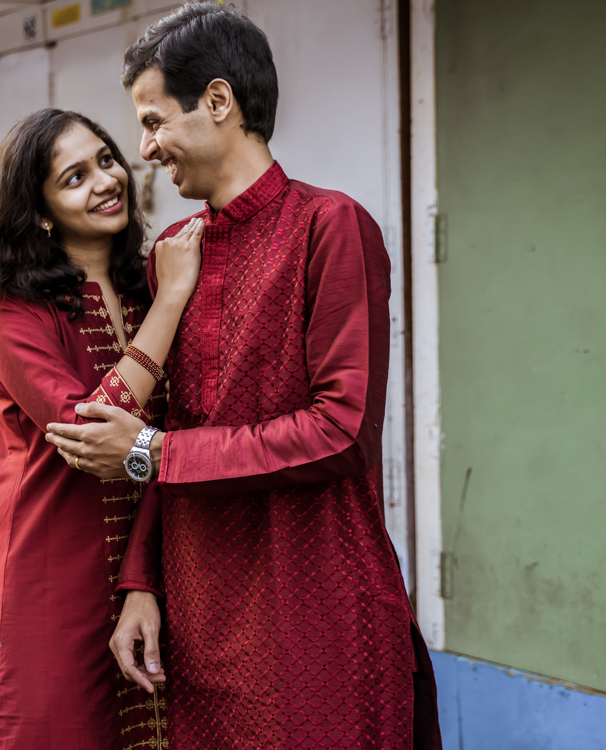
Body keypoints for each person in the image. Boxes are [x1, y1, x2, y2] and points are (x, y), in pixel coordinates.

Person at [43, 5, 444, 749]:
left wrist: (153, 452)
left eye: (155, 120)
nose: (144, 147)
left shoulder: (332, 226)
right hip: (199, 622)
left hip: (313, 608)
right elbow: (173, 417)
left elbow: (341, 432)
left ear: (220, 102)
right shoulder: (174, 252)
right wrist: (141, 582)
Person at [0, 108, 202, 749]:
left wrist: (144, 577)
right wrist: (175, 300)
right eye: (73, 177)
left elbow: (168, 438)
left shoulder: (143, 287)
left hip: (155, 560)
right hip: (53, 571)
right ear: (39, 210)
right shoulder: (13, 311)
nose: (104, 180)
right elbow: (90, 435)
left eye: (106, 159)